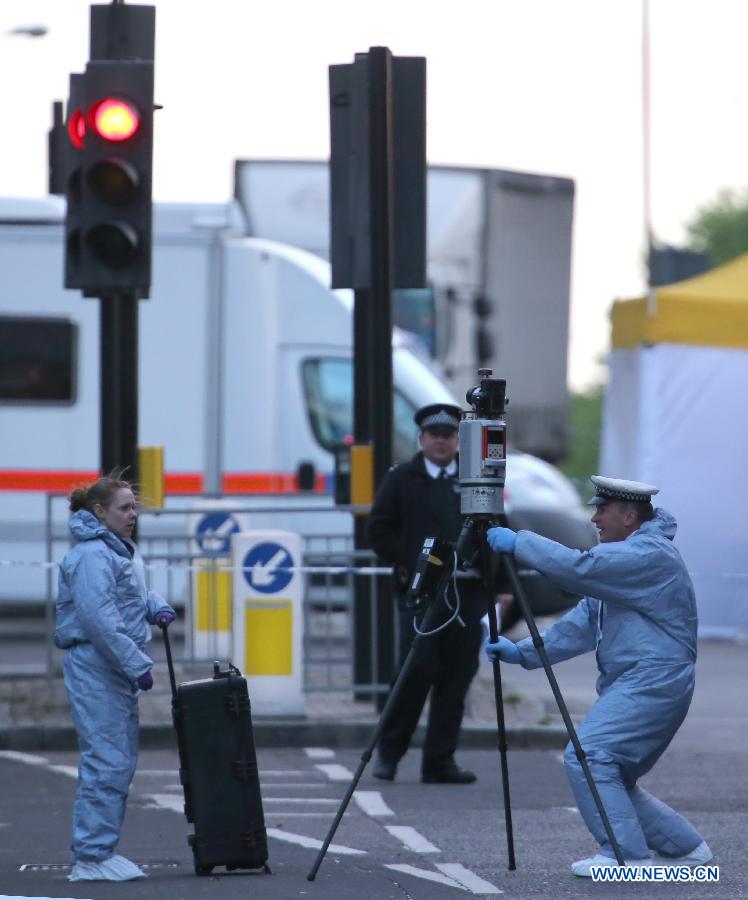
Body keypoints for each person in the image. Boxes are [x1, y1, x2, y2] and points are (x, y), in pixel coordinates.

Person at [485, 475, 712, 877]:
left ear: (628, 516)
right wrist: (521, 653)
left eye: (601, 510)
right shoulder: (627, 558)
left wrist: (521, 543)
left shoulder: (648, 555)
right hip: (643, 680)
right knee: (611, 771)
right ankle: (687, 849)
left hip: (652, 680)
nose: (595, 519)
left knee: (591, 756)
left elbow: (579, 568)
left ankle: (625, 857)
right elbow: (583, 625)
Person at [55, 473, 176, 882]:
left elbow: (127, 596)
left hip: (109, 667)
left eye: (134, 507)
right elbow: (99, 620)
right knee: (107, 761)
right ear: (99, 512)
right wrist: (137, 664)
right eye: (125, 508)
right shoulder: (93, 555)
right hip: (97, 665)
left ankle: (99, 850)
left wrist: (153, 605)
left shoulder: (114, 550)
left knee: (117, 760)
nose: (133, 515)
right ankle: (90, 857)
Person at [366, 402, 487, 784]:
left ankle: (440, 761)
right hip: (422, 594)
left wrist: (499, 588)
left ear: (458, 441)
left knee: (457, 677)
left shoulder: (474, 480)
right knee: (414, 672)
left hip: (466, 593)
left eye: (448, 435)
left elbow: (497, 531)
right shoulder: (403, 478)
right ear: (421, 439)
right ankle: (389, 753)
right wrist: (413, 560)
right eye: (434, 435)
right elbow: (378, 531)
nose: (441, 442)